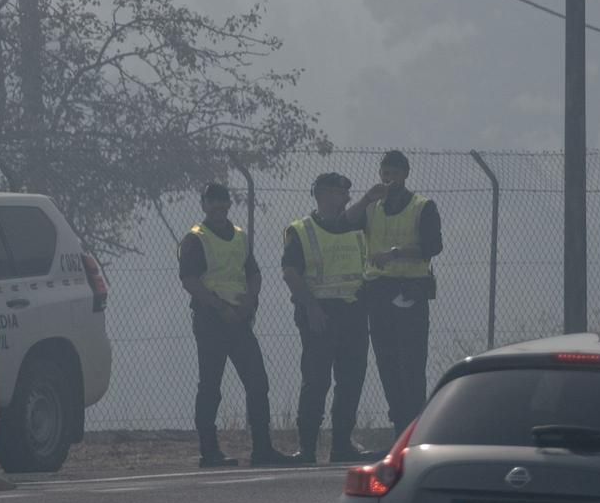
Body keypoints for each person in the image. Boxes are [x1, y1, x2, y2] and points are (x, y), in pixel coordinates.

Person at [177, 181, 299, 469]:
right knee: (210, 386)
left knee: (258, 382)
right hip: (211, 321)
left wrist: (248, 303)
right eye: (213, 201)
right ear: (204, 205)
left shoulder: (240, 237)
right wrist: (220, 307)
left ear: (229, 204)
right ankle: (209, 453)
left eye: (223, 201)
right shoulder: (195, 238)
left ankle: (262, 450)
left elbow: (253, 273)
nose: (219, 206)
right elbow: (189, 280)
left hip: (240, 320)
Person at [328, 150, 442, 436]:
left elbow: (432, 246)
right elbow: (342, 223)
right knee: (387, 363)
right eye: (385, 173)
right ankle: (399, 429)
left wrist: (394, 254)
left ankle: (414, 431)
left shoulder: (422, 206)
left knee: (412, 365)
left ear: (405, 174)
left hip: (410, 293)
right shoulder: (372, 207)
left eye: (394, 173)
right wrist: (367, 198)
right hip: (378, 294)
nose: (389, 179)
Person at [282, 171, 372, 463]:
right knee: (316, 381)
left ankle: (341, 445)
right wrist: (310, 306)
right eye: (339, 192)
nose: (346, 198)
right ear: (322, 194)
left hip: (354, 313)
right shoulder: (301, 229)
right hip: (319, 314)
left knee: (351, 380)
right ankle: (306, 448)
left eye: (347, 193)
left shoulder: (359, 227)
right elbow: (291, 272)